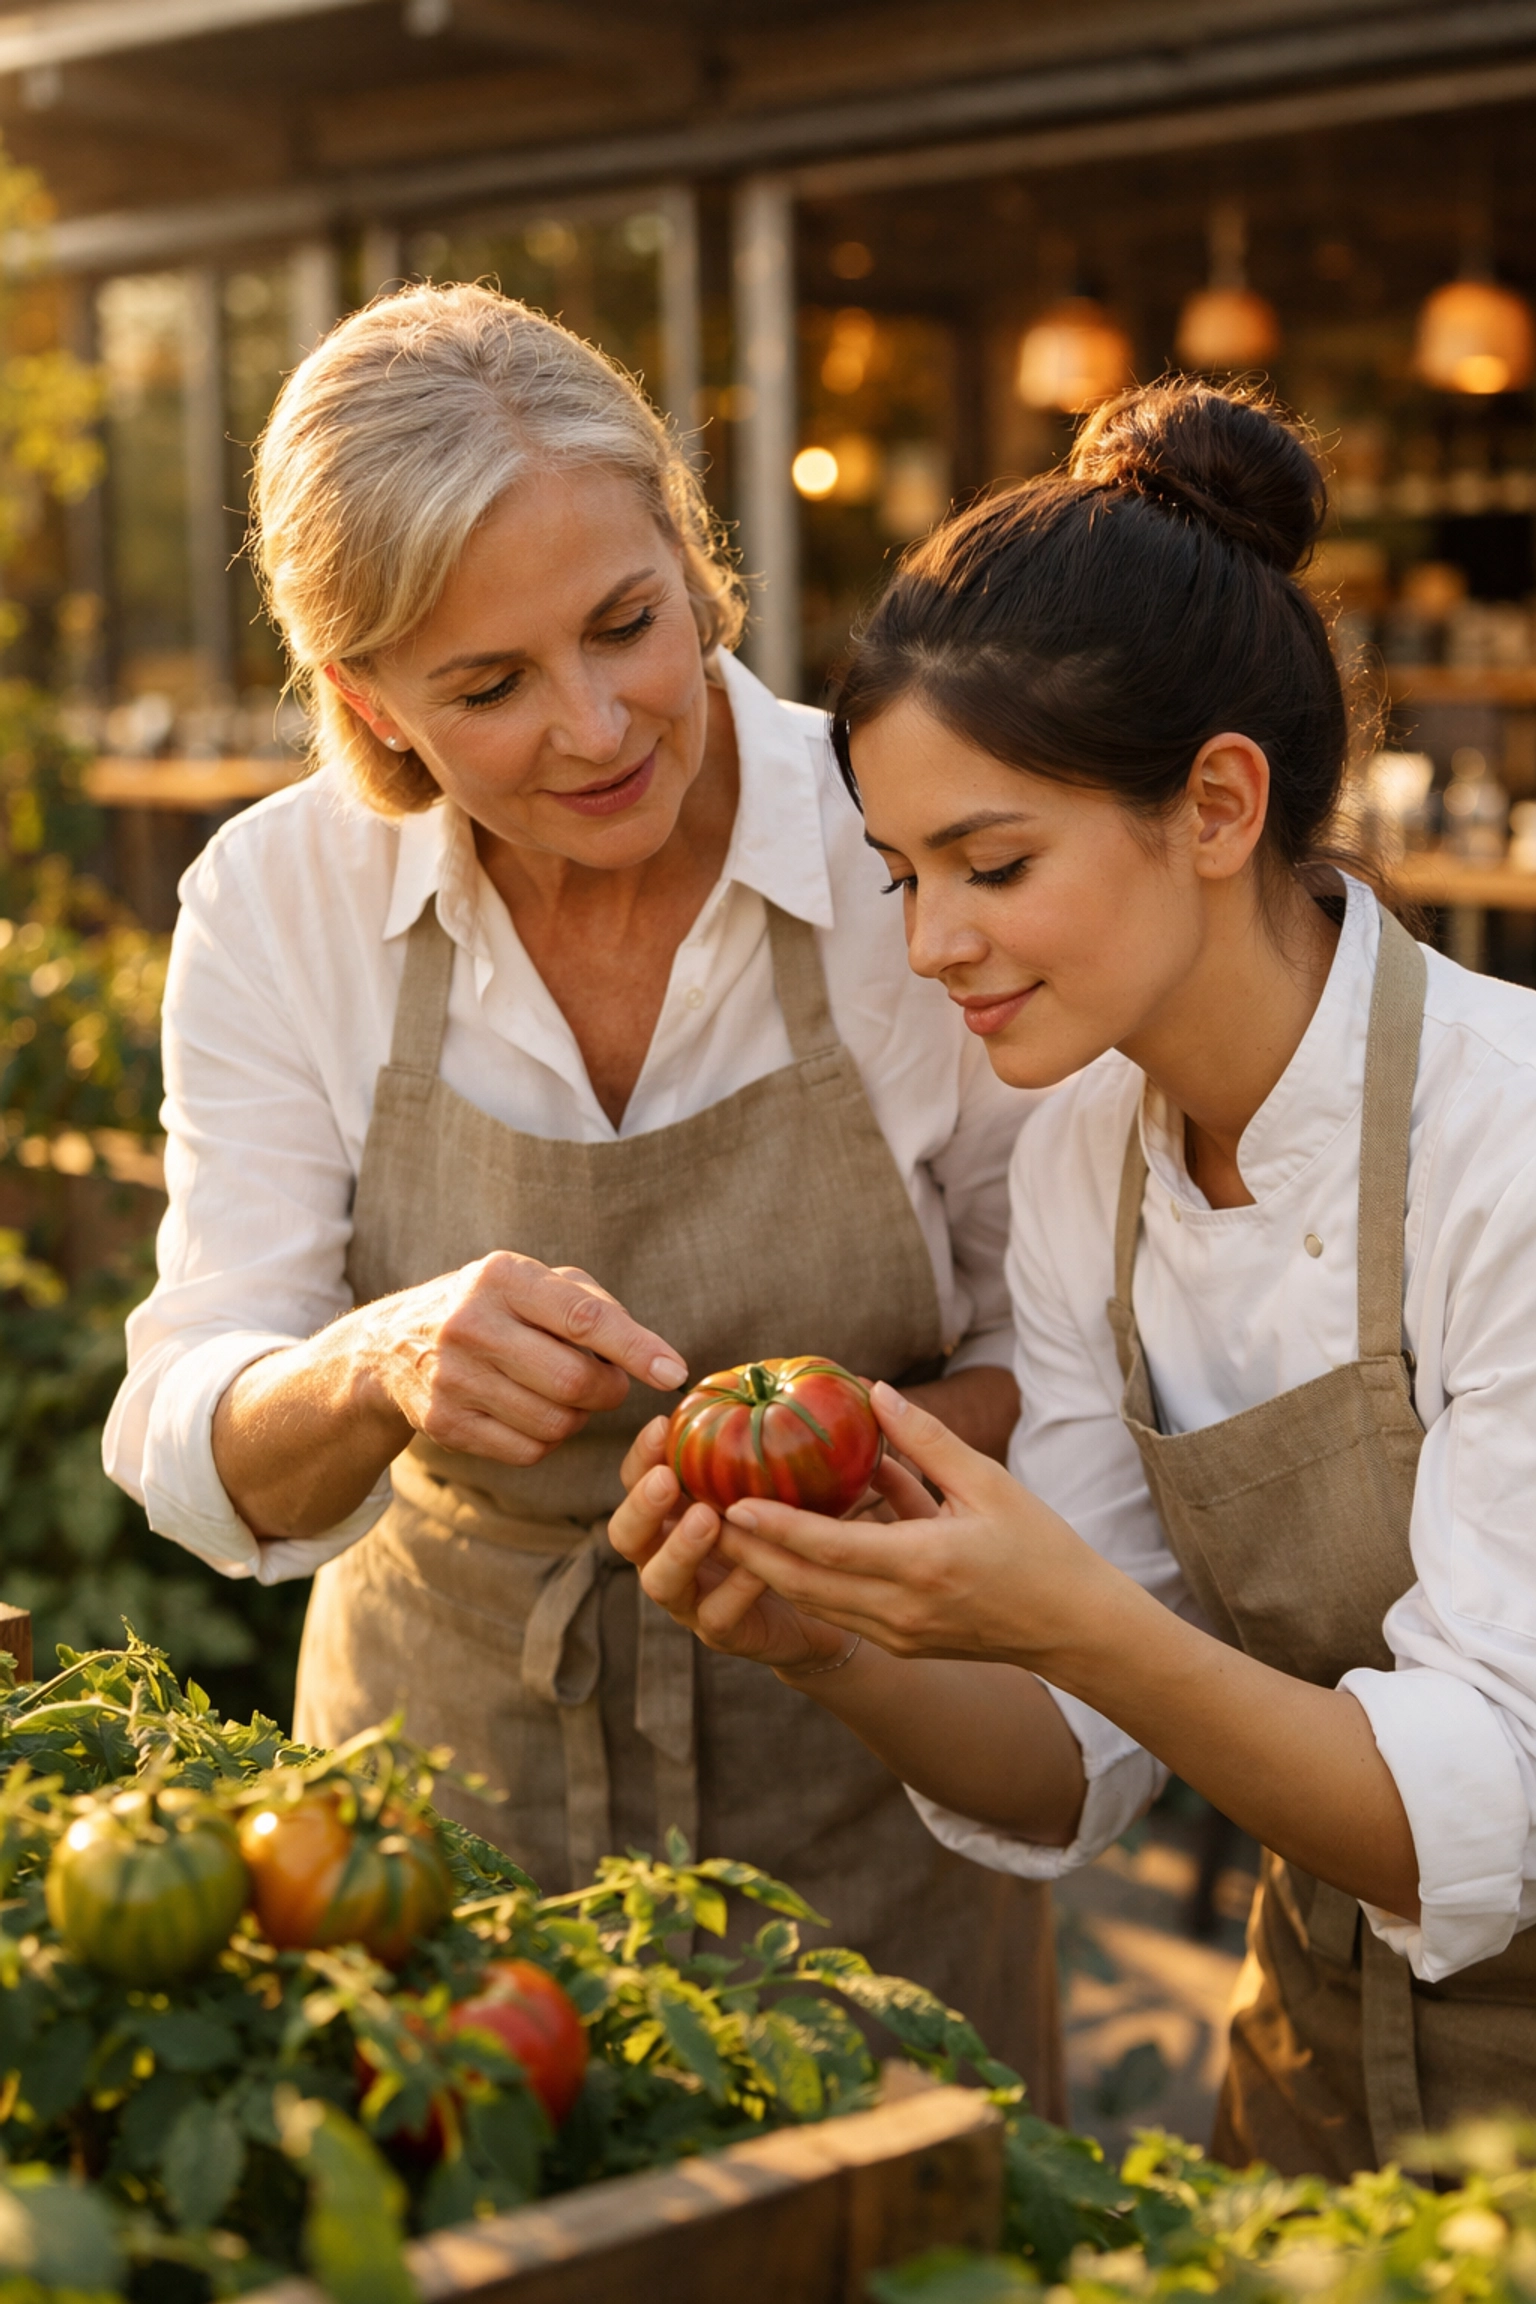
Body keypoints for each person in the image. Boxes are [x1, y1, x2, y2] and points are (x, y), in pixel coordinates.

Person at [101, 282, 1064, 2105]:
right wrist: (380, 1362)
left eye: (630, 623)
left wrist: (828, 1478)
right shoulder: (277, 904)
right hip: (429, 1834)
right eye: (490, 686)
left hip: (875, 1778)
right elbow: (189, 1419)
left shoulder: (900, 847)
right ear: (368, 700)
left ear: (695, 569)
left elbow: (1069, 1352)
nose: (604, 721)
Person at [611, 378, 1536, 2179]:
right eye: (898, 874)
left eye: (993, 863)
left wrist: (1061, 1607)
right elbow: (1075, 1757)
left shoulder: (1505, 1144)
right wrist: (835, 1644)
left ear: (1214, 803)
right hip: (1314, 2080)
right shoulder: (1081, 1166)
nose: (931, 943)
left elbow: (1488, 1805)